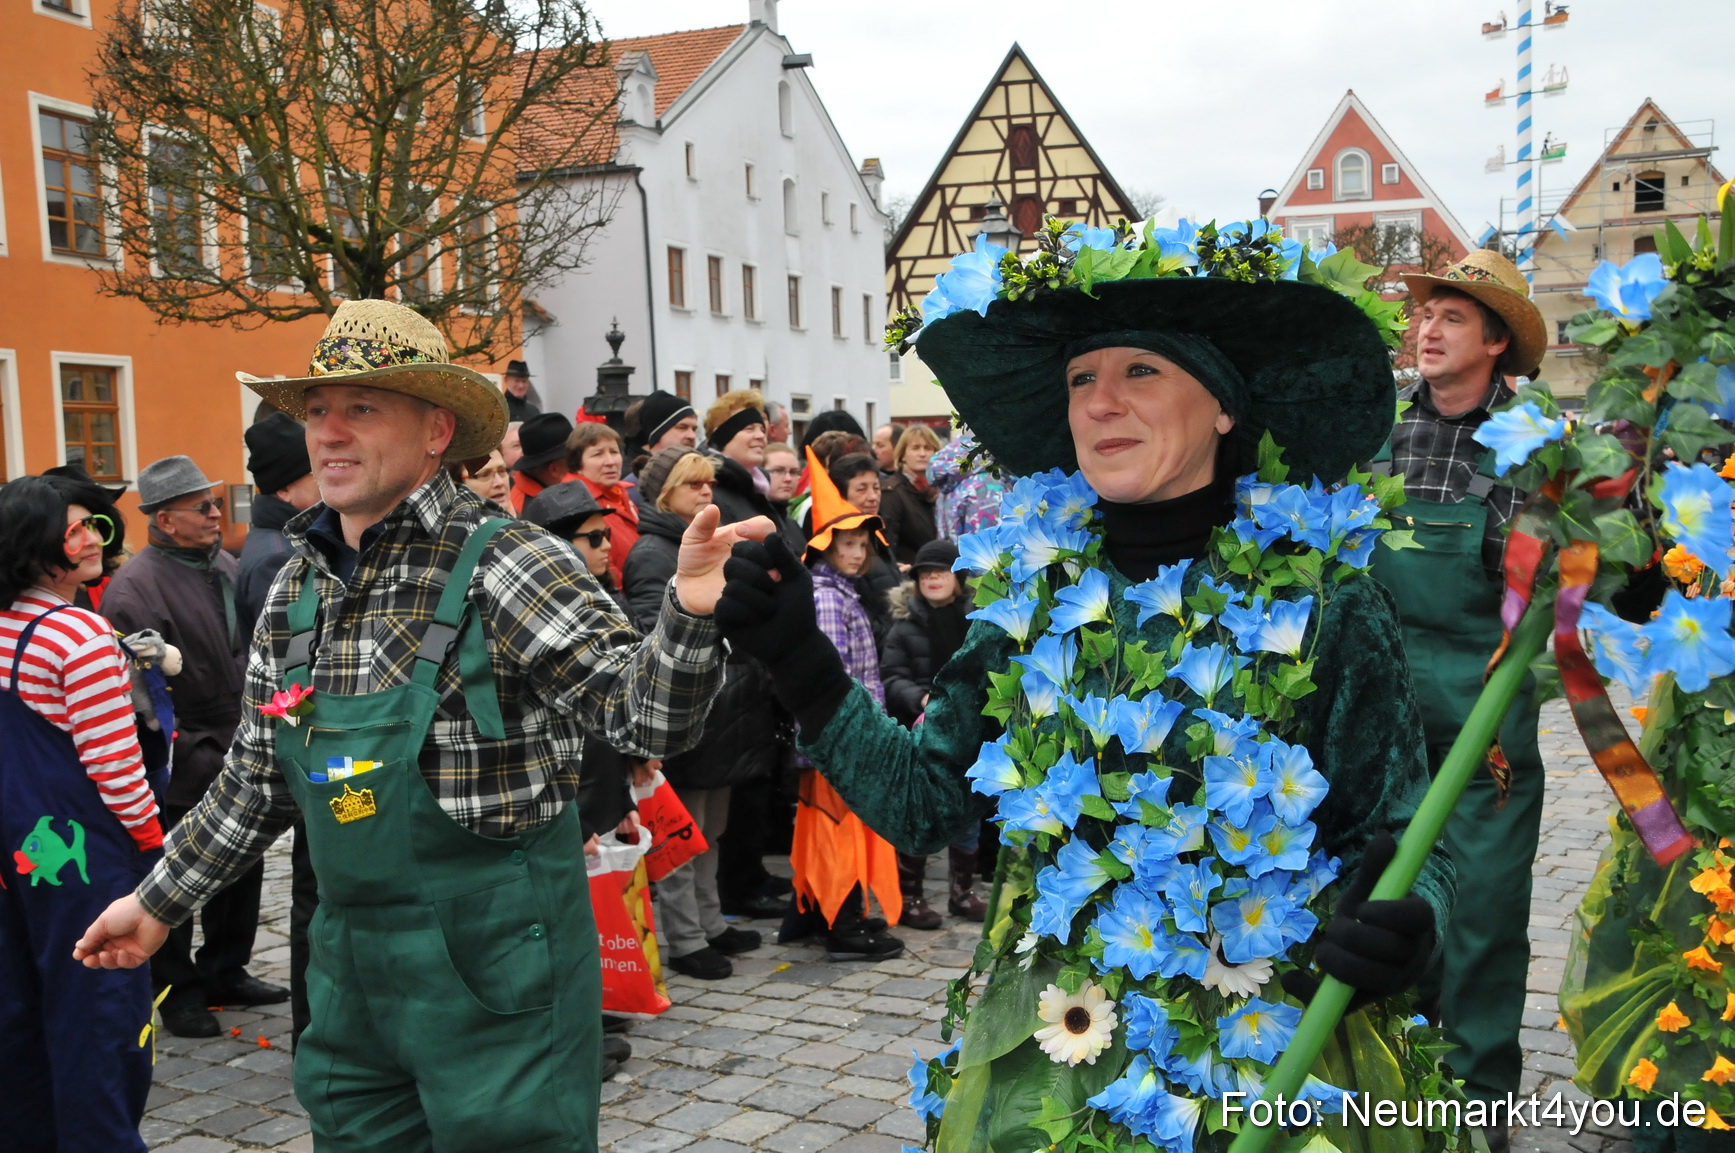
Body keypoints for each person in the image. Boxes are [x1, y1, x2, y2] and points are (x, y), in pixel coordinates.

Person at [716, 219, 1461, 1149]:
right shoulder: (1025, 598)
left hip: (1267, 1050)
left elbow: (1405, 828)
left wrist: (1411, 917)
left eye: (1139, 370)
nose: (1100, 403)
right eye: (1079, 379)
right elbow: (923, 803)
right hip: (1057, 1054)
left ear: (1223, 406)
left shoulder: (1325, 603)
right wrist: (796, 655)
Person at [74, 299, 766, 1151]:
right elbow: (254, 781)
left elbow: (644, 717)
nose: (329, 432)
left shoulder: (508, 561)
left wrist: (689, 610)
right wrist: (156, 901)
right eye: (317, 410)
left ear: (437, 430)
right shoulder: (295, 591)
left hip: (501, 969)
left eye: (361, 407)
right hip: (352, 974)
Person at [1373, 248, 1550, 1146]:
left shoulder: (1535, 450)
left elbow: (1566, 595)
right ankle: (1400, 1079)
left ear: (1494, 343)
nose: (1427, 330)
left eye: (1451, 317)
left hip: (1486, 717)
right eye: (1424, 314)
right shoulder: (1376, 439)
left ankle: (1478, 1101)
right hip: (1386, 711)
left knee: (1482, 912)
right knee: (1388, 901)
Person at [0, 476, 164, 1153]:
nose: (94, 538)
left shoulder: (8, 621)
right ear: (35, 543)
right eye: (75, 530)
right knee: (99, 1013)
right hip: (85, 859)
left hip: (17, 852)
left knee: (18, 1011)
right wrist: (154, 845)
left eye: (95, 524)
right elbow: (116, 767)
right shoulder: (79, 633)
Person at [101, 455, 287, 1039]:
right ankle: (177, 990)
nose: (215, 514)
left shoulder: (225, 564)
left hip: (237, 733)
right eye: (202, 507)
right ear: (164, 520)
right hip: (184, 749)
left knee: (244, 867)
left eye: (215, 503)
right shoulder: (135, 587)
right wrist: (183, 747)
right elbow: (137, 692)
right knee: (177, 867)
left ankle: (225, 970)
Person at [621, 448, 767, 979]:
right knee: (681, 834)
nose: (706, 492)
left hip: (721, 709)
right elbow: (651, 632)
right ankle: (686, 938)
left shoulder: (700, 540)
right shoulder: (652, 552)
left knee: (712, 828)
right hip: (686, 707)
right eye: (693, 484)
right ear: (665, 493)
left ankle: (710, 922)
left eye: (709, 483)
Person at [521, 479, 641, 1079]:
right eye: (593, 539)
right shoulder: (540, 613)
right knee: (555, 927)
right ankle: (568, 1043)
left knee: (581, 922)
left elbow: (613, 718)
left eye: (605, 535)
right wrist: (572, 818)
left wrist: (621, 793)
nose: (606, 546)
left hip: (595, 786)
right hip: (559, 799)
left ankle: (586, 1019)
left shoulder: (600, 595)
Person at [782, 458, 904, 961]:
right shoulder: (828, 598)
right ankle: (842, 924)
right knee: (838, 831)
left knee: (838, 827)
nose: (856, 553)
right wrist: (852, 739)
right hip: (839, 738)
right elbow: (834, 681)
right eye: (846, 544)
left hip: (843, 736)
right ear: (824, 548)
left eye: (861, 544)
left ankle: (829, 913)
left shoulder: (841, 591)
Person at [878, 539, 986, 926]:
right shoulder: (904, 625)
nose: (932, 579)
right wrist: (921, 699)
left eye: (940, 572)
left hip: (968, 730)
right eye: (924, 573)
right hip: (922, 730)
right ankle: (911, 896)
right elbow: (892, 676)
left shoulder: (976, 620)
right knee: (922, 810)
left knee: (968, 810)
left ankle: (962, 892)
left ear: (958, 577)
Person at [238, 412, 322, 630]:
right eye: (314, 473)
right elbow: (287, 642)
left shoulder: (285, 541)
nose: (326, 478)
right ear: (284, 490)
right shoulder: (278, 558)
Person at [704, 390, 803, 553]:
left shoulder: (759, 491)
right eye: (749, 429)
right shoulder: (709, 490)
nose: (760, 436)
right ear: (721, 435)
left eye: (762, 429)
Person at [826, 452, 901, 643]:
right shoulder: (833, 542)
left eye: (876, 487)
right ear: (841, 494)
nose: (873, 497)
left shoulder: (878, 531)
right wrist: (894, 639)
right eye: (861, 489)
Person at [565, 423, 641, 587]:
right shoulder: (575, 504)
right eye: (598, 454)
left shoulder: (622, 493)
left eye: (614, 452)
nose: (610, 462)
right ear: (577, 464)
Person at [928, 426, 1008, 542]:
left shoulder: (948, 480)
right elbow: (990, 540)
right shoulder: (987, 484)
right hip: (981, 552)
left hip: (951, 552)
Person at [877, 425, 943, 565]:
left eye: (927, 448)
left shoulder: (941, 491)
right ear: (903, 455)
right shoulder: (892, 491)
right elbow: (888, 543)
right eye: (915, 448)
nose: (922, 454)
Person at [508, 411, 576, 513]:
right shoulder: (528, 512)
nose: (579, 464)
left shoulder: (548, 494)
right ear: (554, 469)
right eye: (573, 459)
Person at [502, 359, 541, 423]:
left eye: (524, 381)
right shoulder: (497, 409)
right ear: (506, 379)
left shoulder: (534, 411)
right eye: (517, 381)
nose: (521, 385)